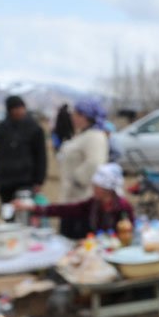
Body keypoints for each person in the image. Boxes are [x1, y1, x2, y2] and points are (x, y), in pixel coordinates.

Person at [15, 163, 134, 237]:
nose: (93, 189)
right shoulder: (93, 204)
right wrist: (34, 208)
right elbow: (66, 210)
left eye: (96, 186)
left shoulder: (123, 207)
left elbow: (129, 232)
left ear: (106, 189)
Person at [55, 98, 110, 239]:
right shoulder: (83, 135)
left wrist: (77, 179)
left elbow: (95, 163)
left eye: (76, 114)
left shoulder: (95, 137)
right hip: (72, 199)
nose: (72, 117)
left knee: (78, 241)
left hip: (82, 200)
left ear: (85, 117)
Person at [0, 95, 47, 205]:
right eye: (16, 108)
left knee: (25, 213)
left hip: (26, 180)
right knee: (7, 212)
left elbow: (41, 156)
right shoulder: (1, 129)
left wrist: (39, 180)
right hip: (5, 180)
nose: (19, 111)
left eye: (21, 108)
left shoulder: (35, 129)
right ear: (9, 110)